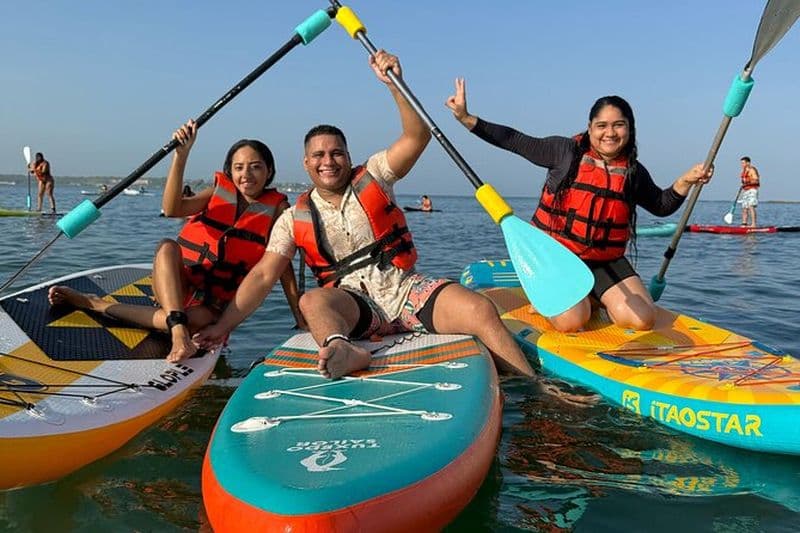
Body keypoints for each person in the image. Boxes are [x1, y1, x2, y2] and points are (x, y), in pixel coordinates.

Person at [194, 50, 535, 381]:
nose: (328, 161)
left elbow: (417, 136)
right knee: (312, 301)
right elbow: (262, 277)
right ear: (306, 163)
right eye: (318, 155)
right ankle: (342, 349)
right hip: (355, 306)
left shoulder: (375, 175)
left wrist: (394, 84)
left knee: (480, 310)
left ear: (348, 156)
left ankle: (534, 386)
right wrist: (222, 327)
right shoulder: (291, 219)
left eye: (336, 153)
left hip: (406, 292)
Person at [445, 78, 712, 333]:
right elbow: (514, 140)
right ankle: (555, 297)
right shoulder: (565, 152)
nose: (610, 133)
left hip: (603, 261)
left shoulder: (632, 171)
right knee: (573, 320)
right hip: (556, 256)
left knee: (642, 319)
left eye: (619, 125)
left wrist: (686, 181)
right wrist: (467, 119)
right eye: (602, 125)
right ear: (590, 127)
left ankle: (592, 295)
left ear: (629, 129)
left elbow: (661, 205)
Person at [48, 120, 304, 362]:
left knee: (189, 320)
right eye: (238, 167)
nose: (246, 174)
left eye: (256, 166)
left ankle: (93, 303)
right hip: (179, 284)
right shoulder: (217, 193)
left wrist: (298, 316)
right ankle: (179, 333)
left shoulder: (278, 211)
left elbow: (282, 268)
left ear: (269, 171)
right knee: (167, 246)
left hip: (213, 302)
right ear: (230, 171)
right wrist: (180, 156)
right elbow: (172, 209)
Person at [739, 156, 760, 227]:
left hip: (752, 190)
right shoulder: (744, 171)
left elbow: (756, 180)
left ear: (748, 163)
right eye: (741, 163)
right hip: (746, 190)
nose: (742, 165)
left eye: (743, 163)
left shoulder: (752, 170)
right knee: (744, 207)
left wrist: (747, 183)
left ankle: (753, 224)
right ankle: (744, 223)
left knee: (751, 206)